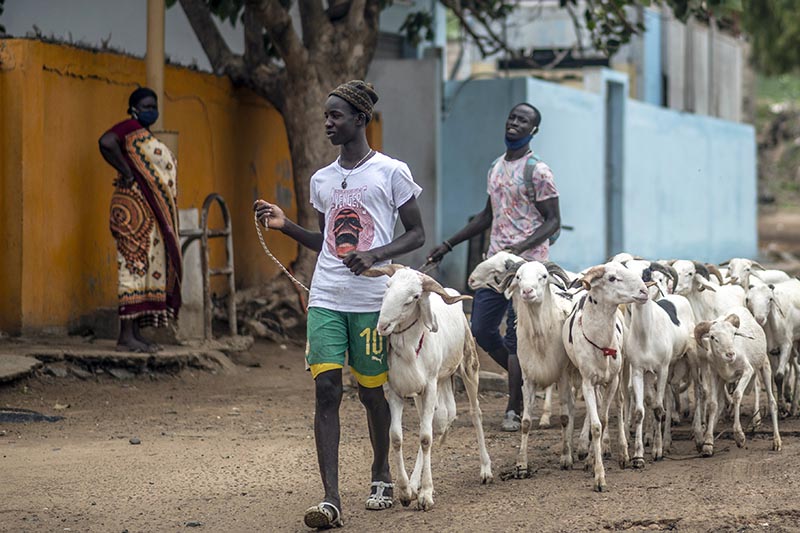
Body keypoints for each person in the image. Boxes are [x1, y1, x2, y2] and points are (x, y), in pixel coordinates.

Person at [254, 80, 425, 529]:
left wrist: (375, 255)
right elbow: (326, 242)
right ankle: (330, 498)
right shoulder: (322, 179)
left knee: (372, 392)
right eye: (326, 116)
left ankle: (382, 472)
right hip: (326, 297)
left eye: (336, 116)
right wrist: (285, 225)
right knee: (326, 390)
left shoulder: (391, 172)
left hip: (372, 302)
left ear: (360, 120)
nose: (328, 122)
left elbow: (416, 233)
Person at [426, 103, 560, 432]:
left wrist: (522, 247)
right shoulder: (496, 168)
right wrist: (448, 244)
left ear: (534, 130)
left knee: (516, 338)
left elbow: (554, 221)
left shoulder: (538, 171)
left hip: (528, 268)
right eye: (512, 117)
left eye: (523, 120)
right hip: (495, 265)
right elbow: (487, 216)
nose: (515, 123)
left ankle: (514, 406)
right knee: (481, 330)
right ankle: (524, 376)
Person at [98, 87, 182, 353]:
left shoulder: (143, 134)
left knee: (144, 268)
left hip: (148, 212)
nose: (151, 110)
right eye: (146, 105)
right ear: (134, 108)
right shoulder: (128, 127)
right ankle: (125, 336)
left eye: (154, 105)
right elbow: (106, 142)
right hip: (132, 209)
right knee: (132, 265)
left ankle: (134, 333)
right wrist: (127, 173)